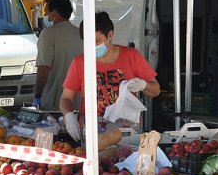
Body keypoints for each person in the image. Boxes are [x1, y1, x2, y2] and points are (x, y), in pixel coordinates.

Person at [60, 11, 160, 141]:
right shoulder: (80, 62)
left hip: (126, 129)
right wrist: (69, 117)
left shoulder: (131, 56)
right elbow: (66, 98)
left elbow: (156, 90)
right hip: (92, 130)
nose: (93, 46)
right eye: (88, 41)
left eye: (97, 40)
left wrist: (143, 85)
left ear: (110, 35)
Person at [33, 0, 83, 110]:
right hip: (78, 99)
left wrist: (37, 96)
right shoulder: (80, 33)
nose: (45, 15)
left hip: (55, 100)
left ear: (54, 13)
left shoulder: (48, 34)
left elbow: (44, 68)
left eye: (46, 11)